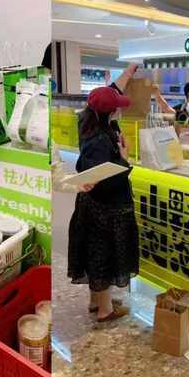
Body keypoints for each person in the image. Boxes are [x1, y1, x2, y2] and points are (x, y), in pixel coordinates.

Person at [68, 86, 138, 322]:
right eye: (117, 107)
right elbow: (105, 180)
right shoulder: (100, 139)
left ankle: (96, 300)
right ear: (111, 111)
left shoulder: (88, 126)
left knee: (93, 251)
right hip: (105, 207)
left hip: (90, 204)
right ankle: (105, 310)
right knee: (103, 255)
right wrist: (124, 160)